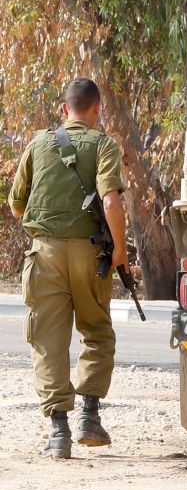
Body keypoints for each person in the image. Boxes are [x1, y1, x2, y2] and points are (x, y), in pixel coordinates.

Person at [8, 78, 126, 459]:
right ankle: (89, 418)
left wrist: (48, 231)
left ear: (64, 109)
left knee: (48, 342)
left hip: (44, 256)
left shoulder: (38, 143)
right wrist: (120, 251)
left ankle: (59, 433)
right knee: (96, 332)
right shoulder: (104, 144)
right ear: (96, 110)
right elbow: (110, 201)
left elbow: (16, 204)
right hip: (90, 256)